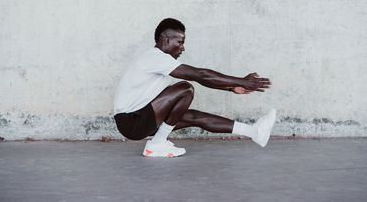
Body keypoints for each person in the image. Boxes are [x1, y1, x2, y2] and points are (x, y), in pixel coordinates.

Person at [114, 18, 276, 157]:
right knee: (185, 89)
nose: (183, 48)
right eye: (180, 42)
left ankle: (255, 132)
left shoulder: (160, 61)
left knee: (195, 116)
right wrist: (241, 81)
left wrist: (231, 88)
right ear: (166, 39)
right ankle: (157, 143)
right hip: (132, 121)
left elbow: (202, 77)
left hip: (139, 121)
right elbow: (200, 75)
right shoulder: (155, 58)